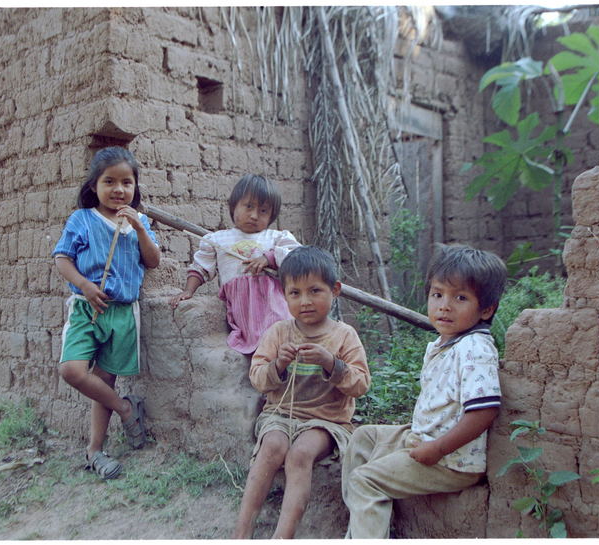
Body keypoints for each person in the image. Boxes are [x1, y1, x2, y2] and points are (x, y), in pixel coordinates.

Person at [341, 243, 508, 538]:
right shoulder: (446, 343)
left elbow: (483, 412)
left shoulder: (474, 349)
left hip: (452, 461)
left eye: (460, 297)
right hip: (422, 438)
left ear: (486, 309)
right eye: (437, 294)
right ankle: (361, 529)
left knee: (366, 480)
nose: (444, 305)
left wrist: (437, 449)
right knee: (363, 437)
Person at [232, 245, 370, 539]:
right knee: (271, 448)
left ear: (335, 290)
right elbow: (258, 378)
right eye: (295, 293)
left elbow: (360, 384)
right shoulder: (279, 333)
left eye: (315, 291)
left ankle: (283, 536)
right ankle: (241, 533)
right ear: (284, 295)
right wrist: (278, 364)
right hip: (279, 415)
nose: (305, 301)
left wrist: (331, 363)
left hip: (326, 421)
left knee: (300, 454)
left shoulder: (344, 335)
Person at [52, 146, 161, 480]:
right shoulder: (82, 220)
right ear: (94, 186)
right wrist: (84, 285)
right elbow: (62, 258)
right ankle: (127, 409)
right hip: (89, 309)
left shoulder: (138, 222)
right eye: (109, 181)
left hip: (123, 312)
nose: (118, 189)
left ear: (135, 187)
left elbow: (153, 261)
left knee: (105, 381)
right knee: (72, 370)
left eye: (126, 182)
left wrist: (141, 229)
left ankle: (95, 451)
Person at [169, 174, 300, 355]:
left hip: (273, 300)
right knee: (256, 344)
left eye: (263, 211)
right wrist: (189, 290)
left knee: (280, 334)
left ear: (272, 216)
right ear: (234, 206)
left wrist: (269, 258)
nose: (254, 215)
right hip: (242, 305)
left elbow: (297, 258)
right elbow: (201, 267)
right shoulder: (217, 239)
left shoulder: (276, 238)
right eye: (248, 206)